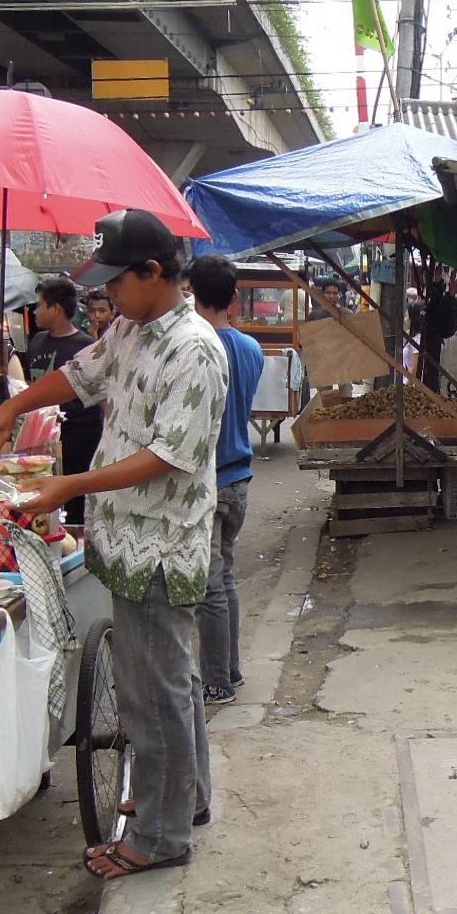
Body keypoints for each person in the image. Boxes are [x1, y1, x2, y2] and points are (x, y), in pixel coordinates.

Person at [0, 209, 225, 881]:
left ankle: (162, 835)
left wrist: (68, 485)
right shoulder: (131, 331)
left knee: (155, 691)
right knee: (171, 680)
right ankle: (184, 797)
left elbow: (170, 456)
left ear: (152, 272)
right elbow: (79, 376)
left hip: (162, 548)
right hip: (126, 540)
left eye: (117, 281)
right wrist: (9, 409)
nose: (105, 296)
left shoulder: (195, 349)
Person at [187, 256, 264, 709]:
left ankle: (217, 680)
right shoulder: (251, 350)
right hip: (239, 479)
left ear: (192, 292)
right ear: (234, 298)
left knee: (210, 586)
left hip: (209, 481)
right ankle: (229, 668)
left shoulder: (195, 347)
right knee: (225, 578)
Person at [23, 274, 102, 527]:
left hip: (79, 438)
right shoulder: (36, 342)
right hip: (42, 440)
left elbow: (100, 396)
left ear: (55, 309)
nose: (35, 312)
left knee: (75, 499)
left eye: (39, 305)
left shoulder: (86, 346)